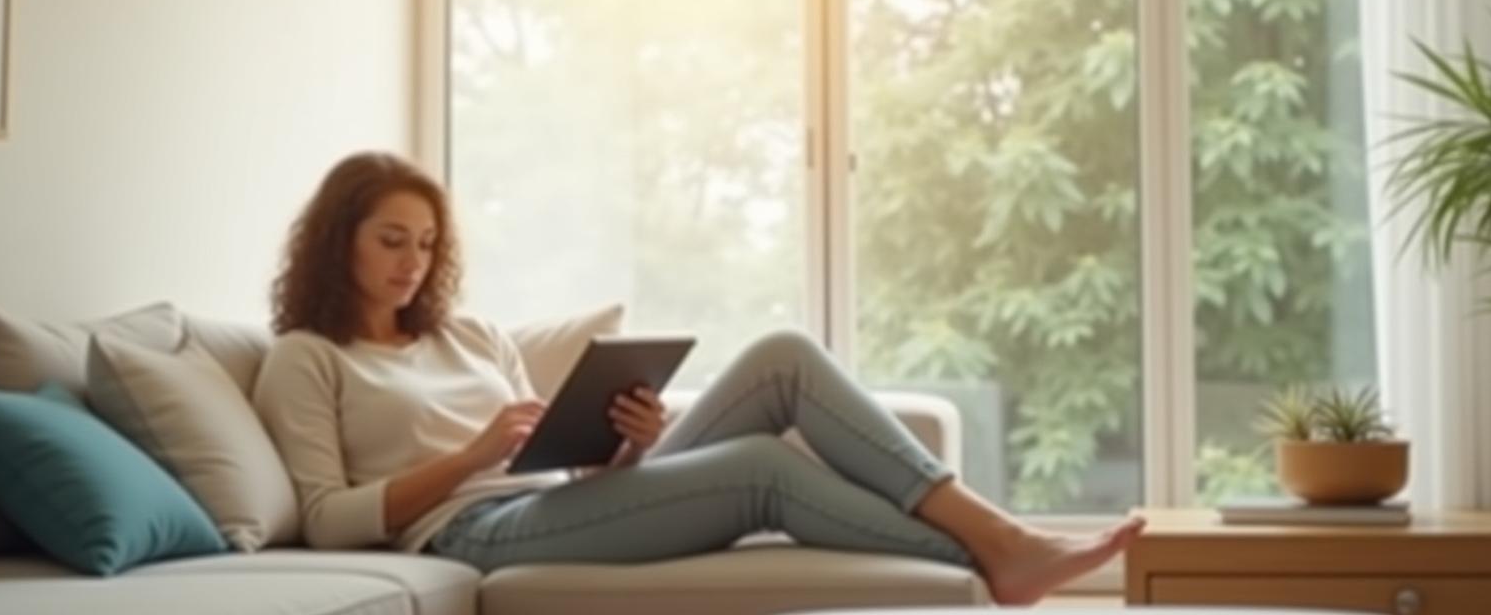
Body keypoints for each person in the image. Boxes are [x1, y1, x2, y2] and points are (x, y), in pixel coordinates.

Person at [252, 151, 1144, 605]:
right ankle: (991, 557)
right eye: (391, 240)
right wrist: (471, 457)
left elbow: (572, 479)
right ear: (340, 240)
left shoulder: (471, 333)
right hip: (469, 534)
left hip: (551, 502)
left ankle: (998, 536)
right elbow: (325, 518)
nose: (413, 262)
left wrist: (624, 448)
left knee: (783, 356)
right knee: (762, 469)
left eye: (426, 242)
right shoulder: (308, 356)